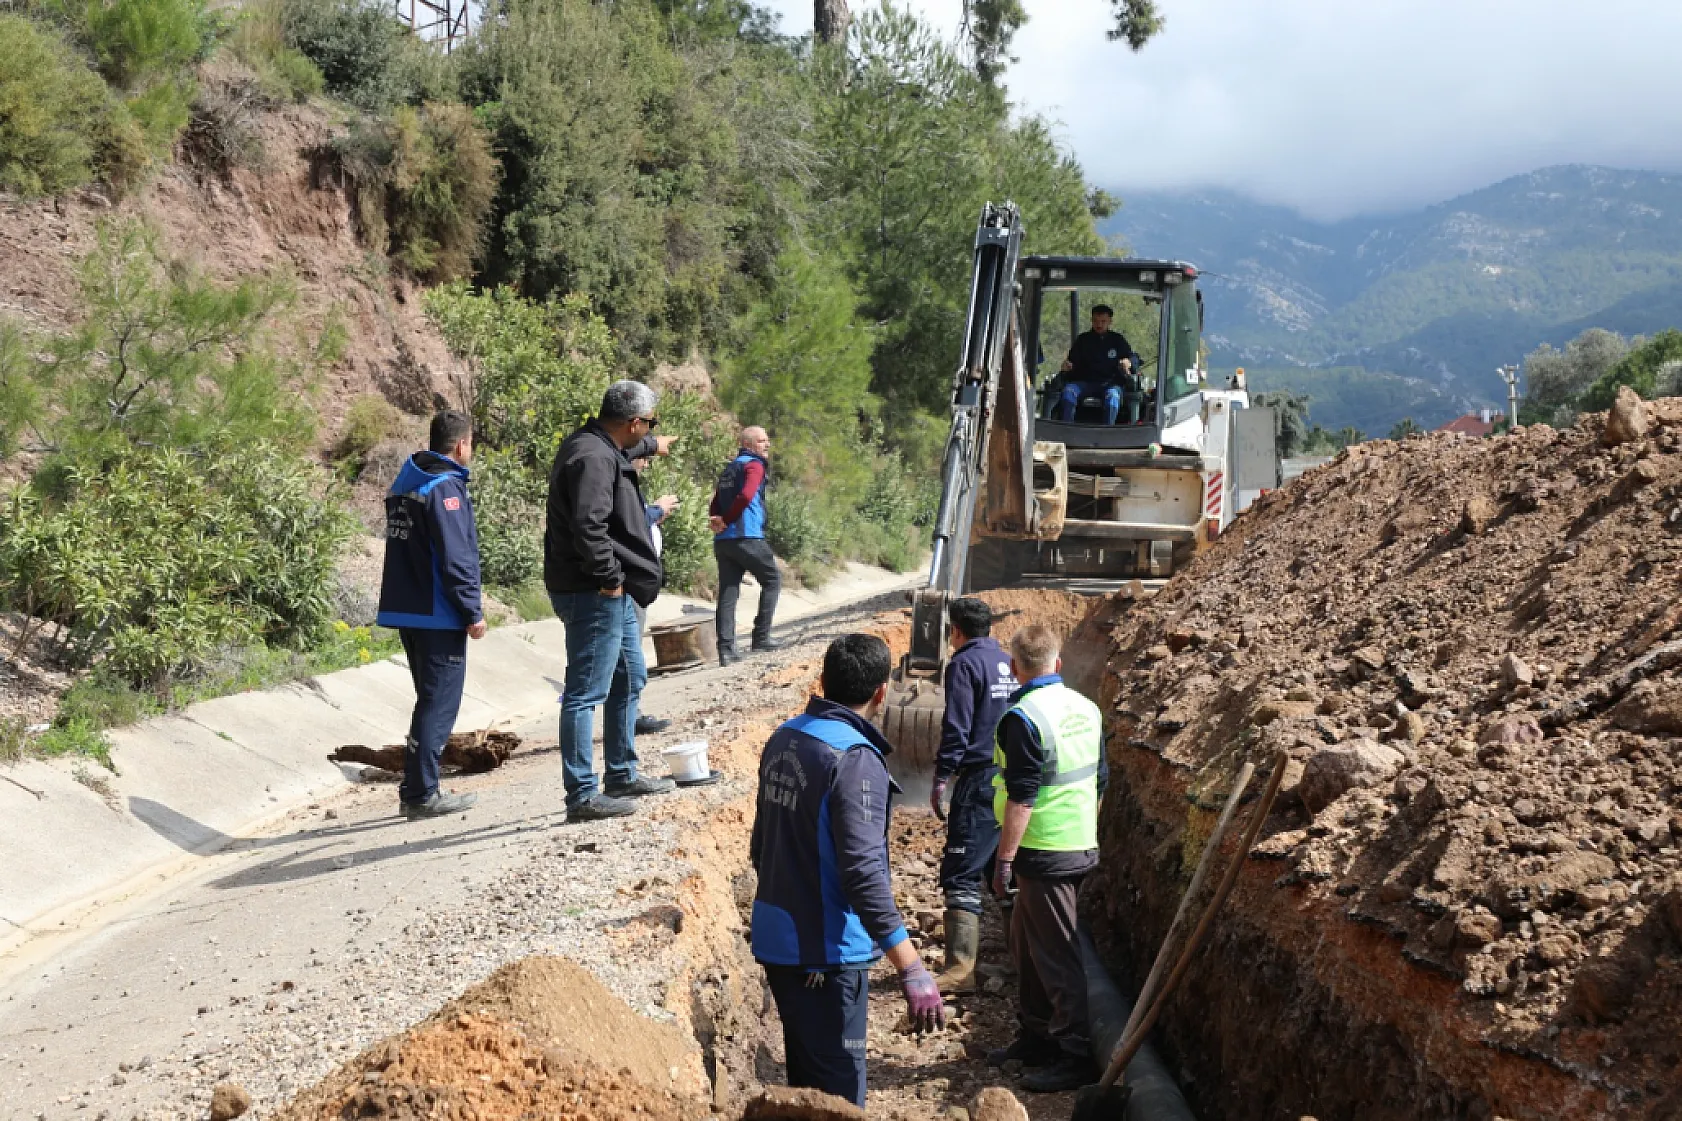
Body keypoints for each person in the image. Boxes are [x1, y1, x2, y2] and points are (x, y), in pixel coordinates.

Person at [750, 634, 946, 1107]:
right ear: (882, 693)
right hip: (825, 956)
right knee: (837, 1098)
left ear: (822, 681)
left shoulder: (786, 737)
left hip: (780, 941)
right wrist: (910, 965)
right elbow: (862, 873)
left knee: (807, 1089)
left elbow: (760, 845)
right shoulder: (855, 760)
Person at [544, 380, 678, 821]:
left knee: (628, 677)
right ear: (634, 423)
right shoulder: (592, 457)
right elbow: (589, 527)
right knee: (585, 693)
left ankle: (621, 773)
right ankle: (582, 793)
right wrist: (610, 580)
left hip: (604, 590)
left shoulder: (601, 449)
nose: (649, 432)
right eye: (649, 425)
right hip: (592, 591)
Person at [987, 624, 1106, 1094]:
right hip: (1076, 842)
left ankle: (1075, 1055)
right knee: (1026, 945)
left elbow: (1022, 796)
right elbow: (1100, 781)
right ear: (1057, 664)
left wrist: (1003, 860)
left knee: (1056, 955)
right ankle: (1036, 1035)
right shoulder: (1086, 708)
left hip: (1044, 850)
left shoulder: (1024, 717)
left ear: (1015, 669)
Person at [375, 410, 488, 819]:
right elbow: (457, 559)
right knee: (439, 704)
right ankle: (422, 793)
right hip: (439, 613)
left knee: (428, 701)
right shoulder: (446, 488)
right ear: (461, 445)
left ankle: (417, 788)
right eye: (470, 444)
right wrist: (472, 611)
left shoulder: (408, 482)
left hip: (409, 609)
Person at [928, 597, 1016, 993]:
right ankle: (1020, 961)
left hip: (980, 778)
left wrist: (943, 775)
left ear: (956, 631)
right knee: (1004, 868)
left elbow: (957, 723)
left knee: (962, 871)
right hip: (1015, 777)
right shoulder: (1007, 660)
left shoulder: (963, 663)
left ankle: (960, 970)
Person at [708, 426, 781, 666]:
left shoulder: (731, 467)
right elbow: (747, 495)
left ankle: (726, 650)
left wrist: (716, 520)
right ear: (748, 444)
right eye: (762, 441)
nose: (767, 444)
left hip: (724, 541)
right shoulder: (754, 465)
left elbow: (716, 499)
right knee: (772, 580)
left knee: (728, 593)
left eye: (767, 440)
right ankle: (761, 637)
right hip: (746, 536)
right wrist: (727, 520)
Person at [632, 454, 678, 736]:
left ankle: (629, 715)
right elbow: (630, 522)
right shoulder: (618, 482)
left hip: (635, 581)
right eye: (643, 458)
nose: (646, 464)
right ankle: (629, 717)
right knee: (629, 653)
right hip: (628, 582)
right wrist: (656, 511)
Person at [1056, 305, 1141, 426]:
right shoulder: (1083, 340)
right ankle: (1066, 429)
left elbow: (1134, 358)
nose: (1099, 324)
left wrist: (1129, 362)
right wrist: (1067, 365)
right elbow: (1071, 362)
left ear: (1110, 322)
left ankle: (1107, 432)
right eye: (1095, 321)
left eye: (1103, 321)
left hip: (1110, 383)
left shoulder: (1117, 340)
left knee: (1113, 397)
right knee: (1069, 391)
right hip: (1084, 382)